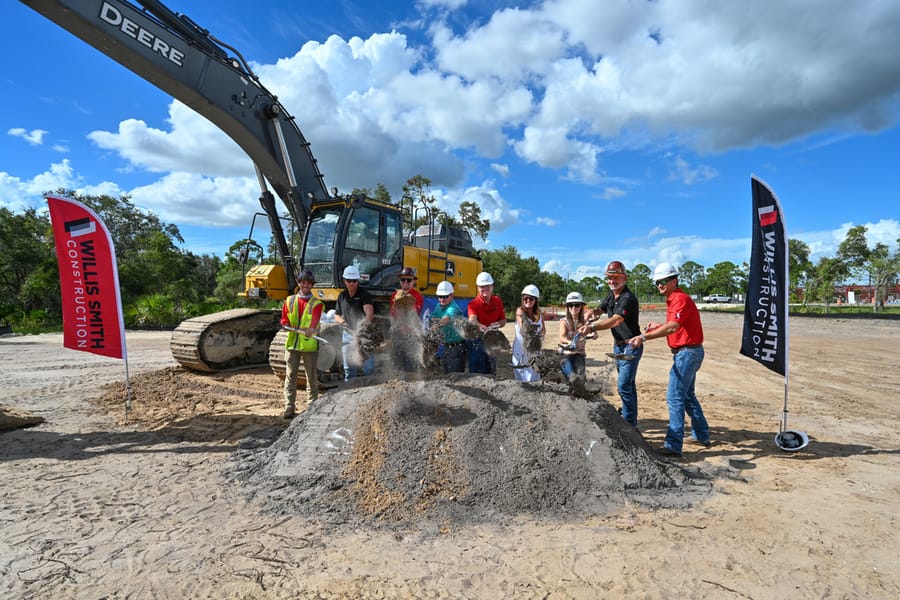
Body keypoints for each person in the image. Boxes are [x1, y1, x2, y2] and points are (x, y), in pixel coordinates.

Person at [626, 262, 711, 457]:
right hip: (689, 352)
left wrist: (644, 337)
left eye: (663, 281)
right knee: (687, 395)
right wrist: (658, 327)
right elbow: (676, 325)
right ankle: (701, 434)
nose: (659, 285)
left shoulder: (680, 299)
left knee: (675, 396)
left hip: (687, 353)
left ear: (674, 280)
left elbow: (673, 327)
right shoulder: (674, 300)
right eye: (657, 282)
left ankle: (673, 445)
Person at [580, 261, 643, 427]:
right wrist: (591, 312)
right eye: (609, 278)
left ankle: (629, 424)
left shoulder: (628, 298)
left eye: (615, 278)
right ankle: (631, 420)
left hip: (631, 346)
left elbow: (616, 320)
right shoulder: (611, 295)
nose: (612, 281)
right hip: (619, 345)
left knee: (623, 385)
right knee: (628, 385)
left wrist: (592, 327)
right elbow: (600, 309)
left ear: (624, 278)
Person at [280, 269, 324, 419]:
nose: (306, 285)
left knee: (311, 378)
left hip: (308, 346)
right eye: (303, 282)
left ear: (312, 285)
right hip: (292, 344)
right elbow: (284, 318)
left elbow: (314, 323)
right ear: (299, 283)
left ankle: (312, 406)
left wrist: (311, 329)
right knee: (290, 377)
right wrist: (285, 324)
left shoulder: (316, 304)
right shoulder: (289, 300)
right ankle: (289, 407)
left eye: (309, 283)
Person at [334, 264, 376, 381]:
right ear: (344, 281)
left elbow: (369, 314)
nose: (352, 283)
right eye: (349, 281)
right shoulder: (342, 296)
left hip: (364, 334)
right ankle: (349, 388)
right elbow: (336, 315)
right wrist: (342, 322)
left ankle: (370, 388)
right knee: (348, 368)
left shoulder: (364, 294)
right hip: (348, 335)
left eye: (354, 281)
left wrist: (360, 330)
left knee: (369, 368)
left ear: (358, 281)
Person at [467, 271, 506, 374]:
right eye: (482, 286)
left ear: (492, 286)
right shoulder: (473, 304)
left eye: (487, 286)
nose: (485, 289)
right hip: (477, 341)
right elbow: (472, 320)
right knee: (477, 373)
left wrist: (498, 324)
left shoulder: (497, 301)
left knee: (491, 371)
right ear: (477, 287)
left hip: (492, 341)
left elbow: (503, 320)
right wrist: (480, 325)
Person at [389, 267, 425, 372]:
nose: (405, 282)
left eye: (408, 280)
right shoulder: (394, 296)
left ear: (413, 281)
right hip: (398, 335)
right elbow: (392, 315)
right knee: (397, 366)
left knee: (411, 366)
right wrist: (394, 326)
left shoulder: (417, 296)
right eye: (403, 279)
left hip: (411, 336)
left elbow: (414, 314)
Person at [429, 280, 467, 373]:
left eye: (445, 296)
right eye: (440, 296)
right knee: (447, 374)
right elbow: (432, 317)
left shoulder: (453, 308)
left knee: (455, 375)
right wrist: (434, 323)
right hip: (447, 346)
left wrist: (437, 325)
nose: (442, 299)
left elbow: (447, 318)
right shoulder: (438, 306)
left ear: (452, 295)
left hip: (457, 348)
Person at [511, 284, 545, 382]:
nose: (528, 301)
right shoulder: (520, 311)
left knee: (536, 381)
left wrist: (541, 333)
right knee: (524, 383)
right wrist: (533, 332)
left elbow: (543, 329)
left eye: (531, 299)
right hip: (521, 353)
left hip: (535, 352)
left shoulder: (539, 313)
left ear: (536, 300)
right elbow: (524, 328)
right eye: (525, 298)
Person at [558, 291, 589, 385]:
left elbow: (592, 332)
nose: (573, 308)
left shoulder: (585, 322)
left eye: (577, 305)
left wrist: (594, 335)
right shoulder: (564, 321)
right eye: (570, 305)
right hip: (566, 354)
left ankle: (580, 392)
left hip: (579, 353)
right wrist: (569, 342)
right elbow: (562, 337)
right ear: (567, 307)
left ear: (581, 307)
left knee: (581, 378)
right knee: (573, 377)